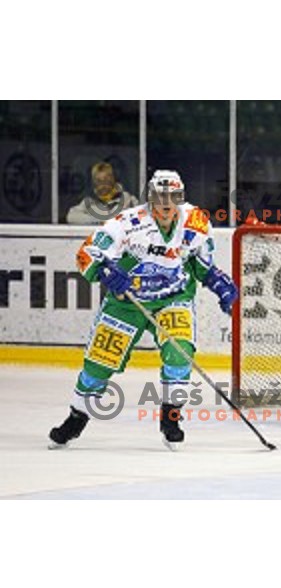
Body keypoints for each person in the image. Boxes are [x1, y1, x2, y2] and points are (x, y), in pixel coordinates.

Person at [49, 170, 238, 451]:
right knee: (99, 363)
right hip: (127, 303)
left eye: (173, 197)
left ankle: (171, 419)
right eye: (160, 196)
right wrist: (106, 272)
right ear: (150, 197)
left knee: (180, 352)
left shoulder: (196, 221)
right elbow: (86, 254)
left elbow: (199, 262)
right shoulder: (127, 223)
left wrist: (217, 282)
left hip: (172, 297)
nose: (166, 203)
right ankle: (77, 418)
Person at [66, 162, 138, 225]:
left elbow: (142, 219)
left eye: (106, 180)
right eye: (99, 181)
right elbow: (71, 217)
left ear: (113, 180)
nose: (103, 185)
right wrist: (98, 221)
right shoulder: (89, 201)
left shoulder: (129, 200)